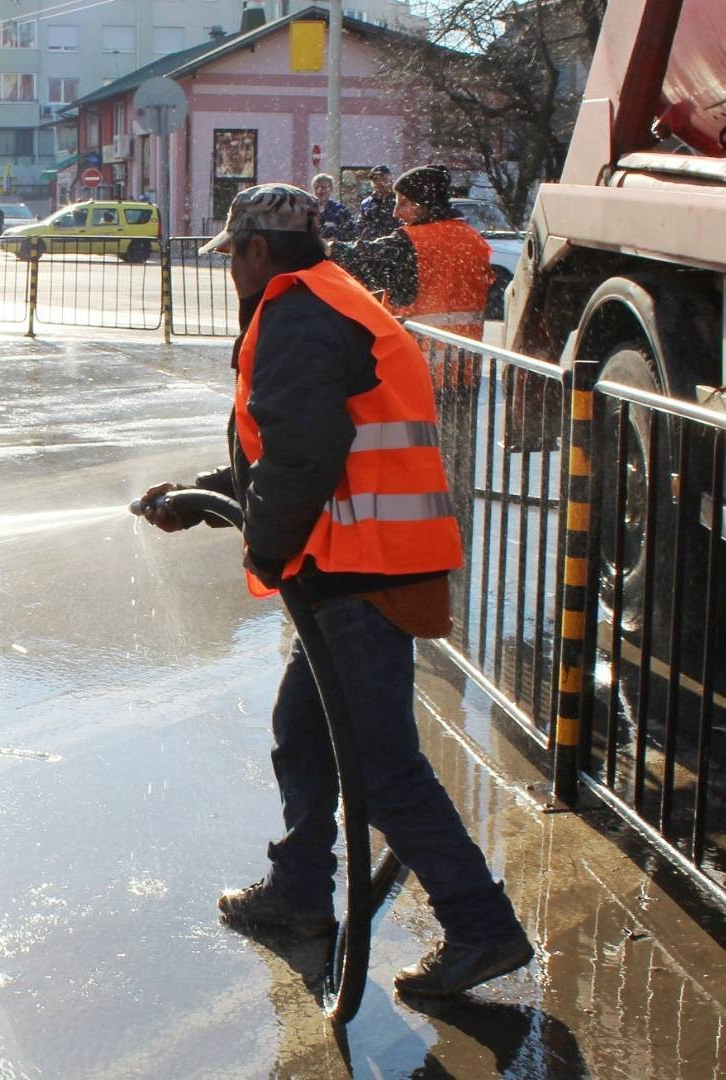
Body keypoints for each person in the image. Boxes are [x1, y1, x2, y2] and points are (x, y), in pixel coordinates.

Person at [135, 183, 532, 998]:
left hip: (357, 573)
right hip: (359, 566)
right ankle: (299, 891)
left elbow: (306, 459)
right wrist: (204, 499)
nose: (229, 273)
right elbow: (293, 451)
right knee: (305, 733)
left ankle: (480, 925)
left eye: (231, 257)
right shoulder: (330, 296)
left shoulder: (299, 316)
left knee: (381, 767)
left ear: (253, 250)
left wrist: (266, 547)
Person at [330, 163, 494, 340]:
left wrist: (328, 249)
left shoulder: (411, 242)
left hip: (419, 354)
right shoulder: (474, 239)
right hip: (465, 356)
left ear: (424, 203)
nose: (396, 213)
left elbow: (362, 260)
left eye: (404, 203)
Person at [356, 165, 397, 240]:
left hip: (394, 244)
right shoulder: (366, 203)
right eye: (375, 179)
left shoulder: (399, 201)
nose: (379, 182)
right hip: (372, 246)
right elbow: (360, 227)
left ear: (391, 180)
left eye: (383, 179)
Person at [310, 172, 355, 241]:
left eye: (323, 187)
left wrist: (336, 238)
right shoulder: (306, 208)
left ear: (330, 189)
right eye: (316, 187)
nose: (319, 191)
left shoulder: (339, 210)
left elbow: (351, 233)